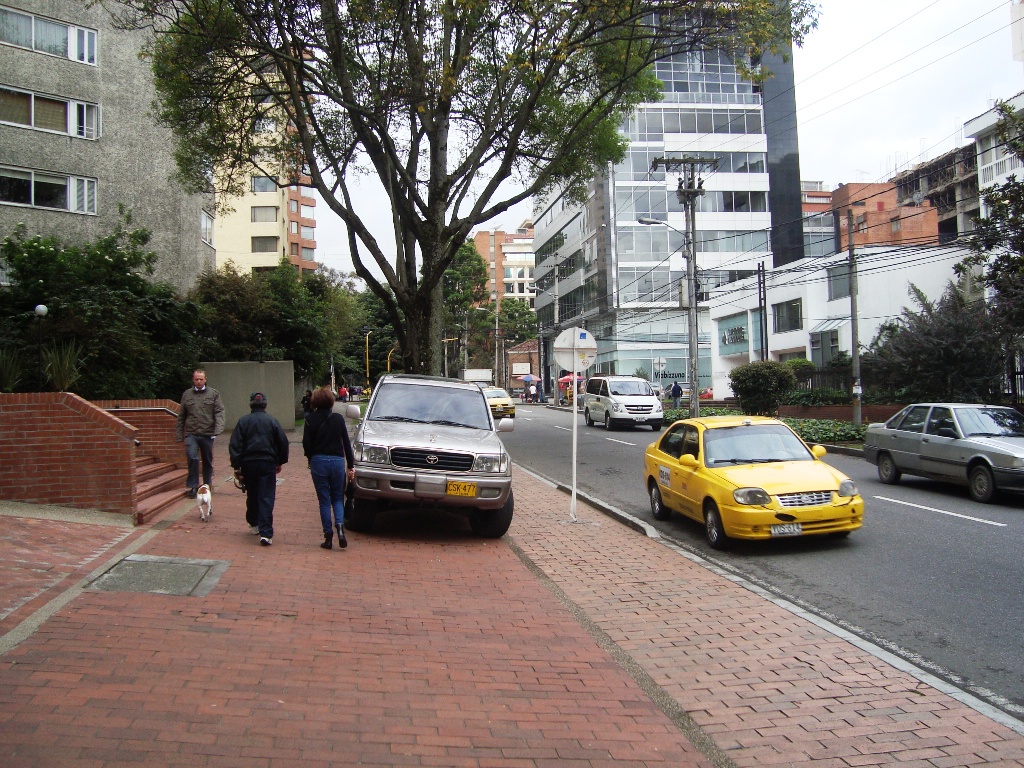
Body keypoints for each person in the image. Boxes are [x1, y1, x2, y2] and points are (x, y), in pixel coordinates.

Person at [229, 392, 289, 546]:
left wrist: (237, 465)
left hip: (248, 463)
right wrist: (280, 461)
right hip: (267, 462)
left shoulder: (243, 421)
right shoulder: (272, 421)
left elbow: (235, 445)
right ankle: (266, 532)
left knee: (253, 493)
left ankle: (253, 522)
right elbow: (283, 442)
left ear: (250, 404)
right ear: (265, 405)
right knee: (266, 496)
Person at [302, 387, 356, 550]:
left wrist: (311, 458)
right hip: (337, 461)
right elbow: (346, 443)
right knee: (338, 497)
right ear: (331, 402)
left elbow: (306, 443)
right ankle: (339, 527)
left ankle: (328, 536)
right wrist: (350, 465)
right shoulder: (338, 419)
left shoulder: (310, 419)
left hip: (319, 460)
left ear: (315, 401)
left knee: (324, 500)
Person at [176, 369, 225, 499]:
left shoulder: (213, 394)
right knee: (193, 457)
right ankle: (193, 485)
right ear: (193, 380)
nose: (198, 381)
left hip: (207, 433)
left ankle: (207, 483)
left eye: (201, 379)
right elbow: (181, 416)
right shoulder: (187, 394)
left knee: (207, 460)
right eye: (196, 379)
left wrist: (218, 429)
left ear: (205, 379)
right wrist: (179, 434)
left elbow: (219, 412)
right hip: (191, 432)